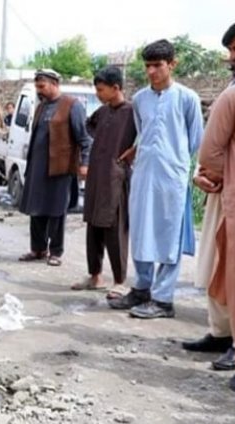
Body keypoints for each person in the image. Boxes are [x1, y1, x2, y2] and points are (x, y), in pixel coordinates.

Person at [108, 39, 203, 319]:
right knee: (141, 231)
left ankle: (163, 300)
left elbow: (195, 139)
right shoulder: (139, 99)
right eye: (147, 66)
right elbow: (143, 132)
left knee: (168, 235)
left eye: (157, 65)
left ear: (172, 64)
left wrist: (178, 164)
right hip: (144, 173)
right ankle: (142, 288)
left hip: (172, 177)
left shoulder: (187, 98)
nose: (151, 72)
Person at [183, 20, 235, 368]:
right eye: (233, 51)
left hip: (230, 188)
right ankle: (222, 335)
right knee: (218, 264)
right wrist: (206, 175)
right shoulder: (233, 89)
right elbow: (213, 148)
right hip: (225, 191)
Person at [71, 66, 136, 298]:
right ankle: (95, 275)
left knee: (114, 227)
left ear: (115, 88)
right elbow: (89, 127)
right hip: (97, 175)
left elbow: (146, 136)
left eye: (100, 89)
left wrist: (132, 151)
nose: (97, 94)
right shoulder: (102, 112)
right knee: (94, 226)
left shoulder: (132, 112)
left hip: (116, 177)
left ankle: (119, 280)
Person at [18, 69, 91, 267]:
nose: (39, 90)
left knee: (57, 210)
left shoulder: (72, 105)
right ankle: (38, 249)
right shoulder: (41, 107)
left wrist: (84, 164)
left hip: (60, 168)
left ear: (54, 84)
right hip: (38, 167)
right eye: (37, 87)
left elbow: (84, 139)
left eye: (42, 86)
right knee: (36, 209)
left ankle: (56, 251)